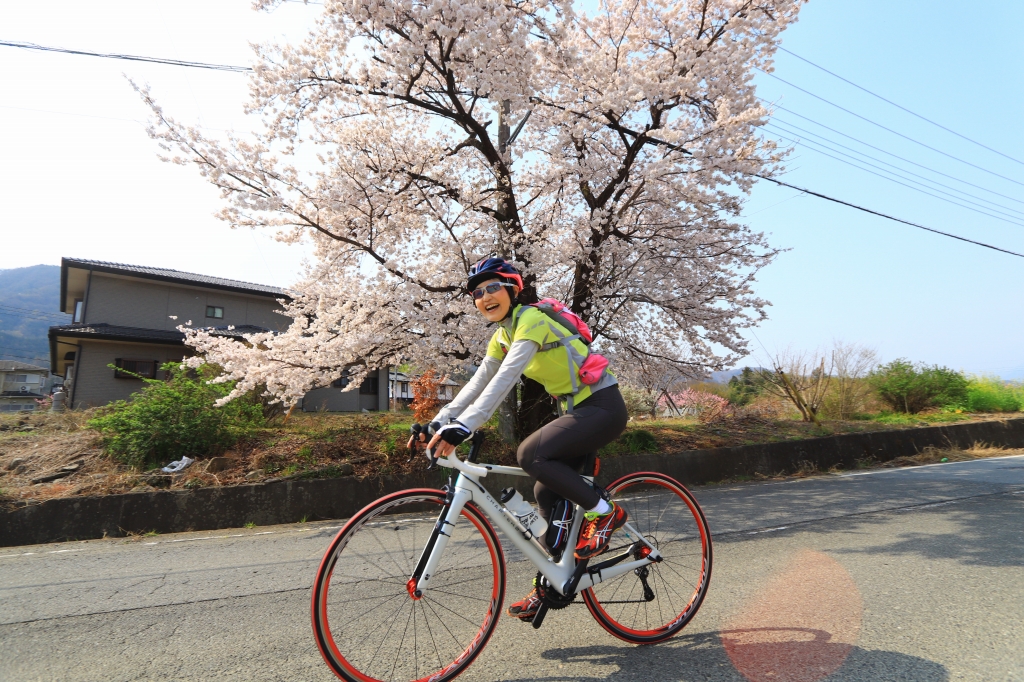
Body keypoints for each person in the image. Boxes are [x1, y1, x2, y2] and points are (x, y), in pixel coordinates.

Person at [408, 256, 629, 621]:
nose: (485, 297)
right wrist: (438, 423)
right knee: (545, 492)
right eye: (477, 293)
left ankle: (606, 512)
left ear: (513, 289)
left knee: (530, 454)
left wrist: (466, 426)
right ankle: (551, 583)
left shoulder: (531, 320)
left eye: (493, 287)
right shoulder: (502, 334)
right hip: (576, 412)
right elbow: (478, 383)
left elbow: (507, 377)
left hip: (603, 407)